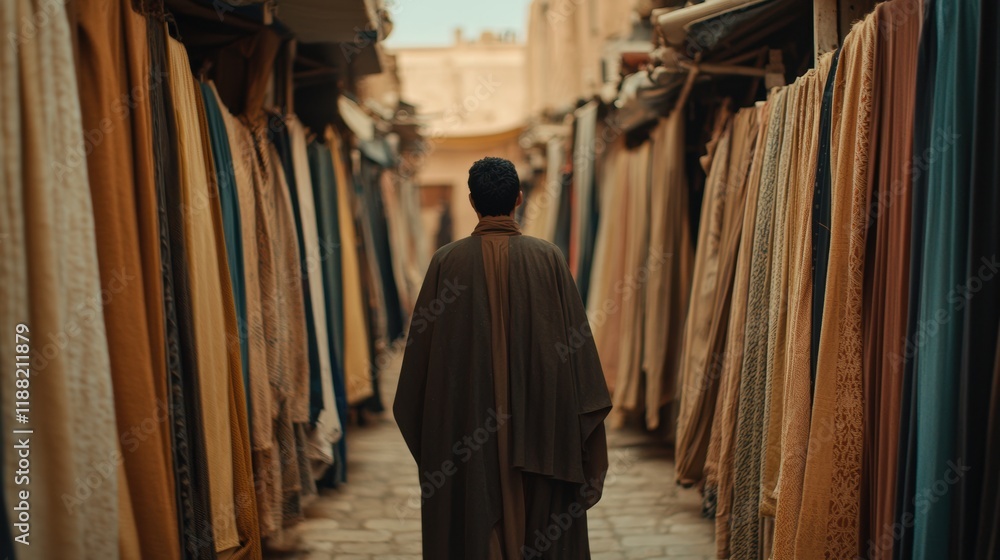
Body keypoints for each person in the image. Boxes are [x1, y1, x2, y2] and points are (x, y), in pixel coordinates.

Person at [394, 157, 612, 559]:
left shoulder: (445, 263)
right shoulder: (548, 259)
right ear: (519, 199)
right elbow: (580, 365)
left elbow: (417, 382)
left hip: (468, 449)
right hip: (541, 446)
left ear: (473, 202)